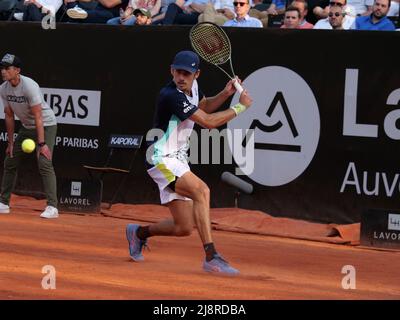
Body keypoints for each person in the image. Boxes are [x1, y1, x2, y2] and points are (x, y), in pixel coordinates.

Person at [125, 50, 252, 275]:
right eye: (178, 72)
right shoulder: (170, 94)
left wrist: (225, 94)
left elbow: (203, 106)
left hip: (178, 158)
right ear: (171, 70)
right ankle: (212, 256)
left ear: (197, 75)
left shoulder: (192, 89)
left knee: (183, 227)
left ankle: (138, 233)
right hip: (160, 158)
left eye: (187, 73)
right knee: (202, 191)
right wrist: (239, 107)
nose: (181, 77)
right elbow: (208, 123)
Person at [0, 54, 58, 219]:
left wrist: (41, 144)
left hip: (46, 125)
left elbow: (38, 116)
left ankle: (52, 207)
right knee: (10, 159)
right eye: (2, 68)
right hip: (26, 127)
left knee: (44, 162)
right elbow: (9, 116)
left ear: (17, 70)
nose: (3, 71)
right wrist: (10, 143)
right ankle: (4, 203)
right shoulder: (3, 89)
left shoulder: (29, 86)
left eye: (7, 68)